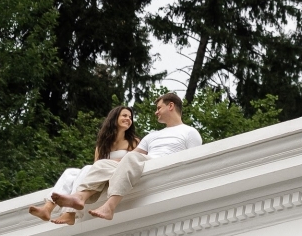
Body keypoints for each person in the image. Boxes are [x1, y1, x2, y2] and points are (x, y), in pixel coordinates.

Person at [51, 92, 201, 222]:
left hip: (161, 164)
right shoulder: (152, 136)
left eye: (159, 108)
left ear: (171, 106)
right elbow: (131, 156)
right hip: (143, 162)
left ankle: (110, 206)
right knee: (102, 163)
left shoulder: (189, 132)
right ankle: (80, 197)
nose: (156, 112)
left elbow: (193, 159)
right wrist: (108, 163)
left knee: (131, 157)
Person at [28, 105, 140, 225]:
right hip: (100, 176)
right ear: (114, 118)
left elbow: (132, 161)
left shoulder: (133, 142)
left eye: (130, 117)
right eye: (124, 115)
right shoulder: (102, 145)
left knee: (87, 168)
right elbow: (96, 166)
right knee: (70, 172)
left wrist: (116, 161)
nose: (128, 119)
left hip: (114, 174)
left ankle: (70, 213)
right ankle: (47, 208)